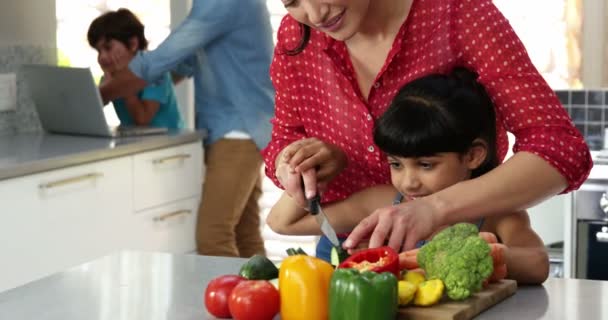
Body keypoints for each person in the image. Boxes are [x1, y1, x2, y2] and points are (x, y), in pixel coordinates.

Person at [263, 0, 591, 255]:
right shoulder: (297, 36)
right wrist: (298, 163)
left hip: (454, 245)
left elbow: (559, 149)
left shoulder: (456, 14)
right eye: (291, 1)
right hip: (346, 250)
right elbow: (283, 142)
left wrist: (434, 209)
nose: (315, 14)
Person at [266, 68, 549, 284]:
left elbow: (538, 264)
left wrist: (483, 255)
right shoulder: (386, 201)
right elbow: (283, 223)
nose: (408, 181)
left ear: (473, 155)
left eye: (426, 165)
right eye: (396, 164)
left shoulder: (495, 213)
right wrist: (313, 169)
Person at [98, 1, 275, 258]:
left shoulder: (222, 2)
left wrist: (100, 95)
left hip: (238, 131)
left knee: (213, 236)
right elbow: (184, 63)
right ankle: (263, 295)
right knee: (244, 234)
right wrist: (143, 85)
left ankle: (228, 299)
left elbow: (159, 61)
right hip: (239, 129)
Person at [87, 8, 184, 129]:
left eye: (108, 48)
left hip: (171, 143)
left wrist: (122, 87)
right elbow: (89, 111)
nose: (102, 57)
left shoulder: (156, 72)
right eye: (98, 51)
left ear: (133, 44)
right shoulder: (110, 76)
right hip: (136, 142)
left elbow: (142, 119)